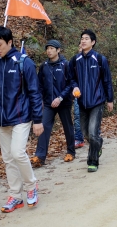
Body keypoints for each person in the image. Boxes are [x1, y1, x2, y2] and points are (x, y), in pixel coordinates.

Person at [0, 26, 44, 213]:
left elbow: (34, 93)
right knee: (8, 158)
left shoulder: (23, 62)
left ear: (10, 42)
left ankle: (31, 186)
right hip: (2, 118)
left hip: (21, 116)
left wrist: (38, 120)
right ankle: (15, 196)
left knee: (18, 153)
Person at [70, 29, 114, 173]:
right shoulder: (75, 60)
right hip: (82, 102)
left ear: (93, 42)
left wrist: (110, 99)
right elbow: (70, 78)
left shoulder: (100, 59)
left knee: (93, 133)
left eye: (86, 39)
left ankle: (92, 161)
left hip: (97, 101)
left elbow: (107, 80)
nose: (83, 41)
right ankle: (98, 144)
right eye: (82, 38)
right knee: (86, 134)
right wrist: (75, 86)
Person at [30, 40, 75, 168]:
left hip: (63, 102)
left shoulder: (66, 64)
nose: (49, 51)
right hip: (49, 103)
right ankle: (40, 156)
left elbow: (71, 83)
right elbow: (39, 85)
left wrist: (60, 97)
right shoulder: (44, 66)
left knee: (68, 127)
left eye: (51, 48)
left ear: (58, 50)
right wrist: (41, 100)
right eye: (47, 48)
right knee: (44, 127)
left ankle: (71, 151)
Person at [72, 44, 84, 148]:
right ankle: (79, 138)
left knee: (92, 115)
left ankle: (95, 134)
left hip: (92, 94)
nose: (81, 48)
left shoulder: (94, 59)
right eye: (79, 46)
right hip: (78, 93)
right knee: (77, 115)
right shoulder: (75, 62)